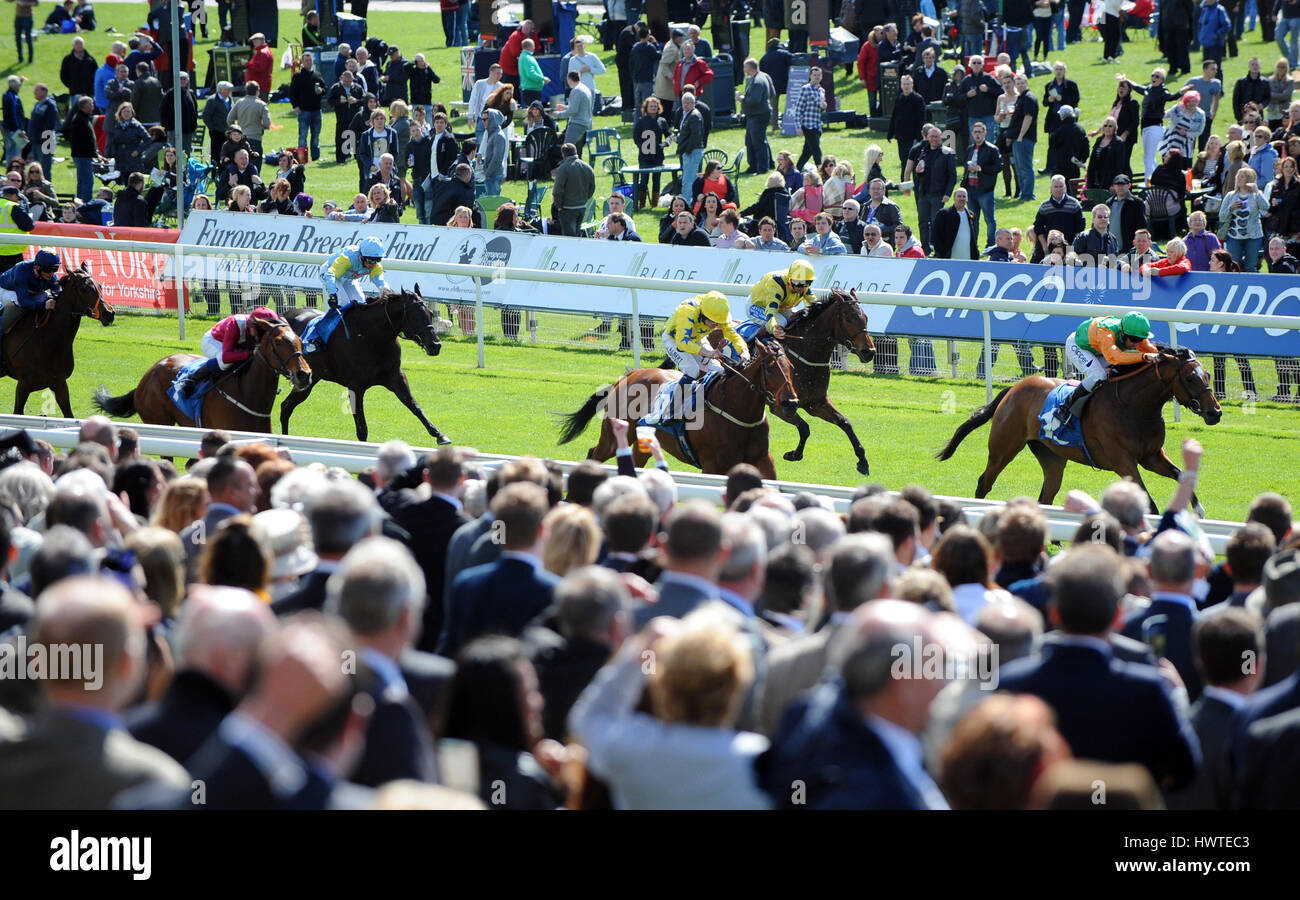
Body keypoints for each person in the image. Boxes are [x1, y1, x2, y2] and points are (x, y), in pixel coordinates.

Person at [1044, 312, 1159, 439]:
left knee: (1117, 372)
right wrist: (1144, 356)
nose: (1136, 344)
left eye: (1140, 340)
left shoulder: (1132, 333)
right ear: (1122, 333)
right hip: (1078, 346)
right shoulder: (1106, 332)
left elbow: (1150, 349)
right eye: (1133, 340)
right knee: (1099, 376)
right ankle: (1064, 407)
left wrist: (1165, 355)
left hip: (1098, 350)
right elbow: (1116, 357)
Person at [651, 291, 749, 424]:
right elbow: (682, 342)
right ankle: (671, 410)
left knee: (718, 371)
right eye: (715, 323)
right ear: (703, 315)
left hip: (697, 338)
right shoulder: (687, 311)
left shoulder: (717, 315)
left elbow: (732, 334)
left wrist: (743, 351)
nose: (718, 326)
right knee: (693, 370)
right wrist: (707, 353)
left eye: (720, 323)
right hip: (674, 340)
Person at [178, 306, 279, 398]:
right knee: (226, 362)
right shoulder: (235, 324)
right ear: (252, 326)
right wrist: (249, 354)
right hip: (213, 341)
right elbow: (226, 357)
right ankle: (192, 378)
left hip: (235, 344)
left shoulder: (255, 326)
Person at [0, 249, 60, 358]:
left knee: (45, 297)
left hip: (28, 291)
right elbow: (23, 301)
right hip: (7, 289)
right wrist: (44, 306)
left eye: (55, 269)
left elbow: (58, 293)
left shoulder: (52, 277)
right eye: (48, 269)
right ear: (37, 267)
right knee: (20, 303)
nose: (51, 273)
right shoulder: (22, 271)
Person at [741, 259, 815, 347]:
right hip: (757, 305)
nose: (802, 287)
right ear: (789, 279)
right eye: (798, 283)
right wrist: (774, 327)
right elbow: (771, 309)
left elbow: (815, 303)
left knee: (797, 319)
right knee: (781, 322)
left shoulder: (803, 285)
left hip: (781, 306)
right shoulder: (776, 282)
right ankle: (749, 344)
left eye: (807, 283)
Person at [1220, 168, 1270, 271]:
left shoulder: (1256, 195)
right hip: (1234, 236)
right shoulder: (1230, 196)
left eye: (1242, 176)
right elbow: (1222, 216)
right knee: (1234, 266)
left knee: (1250, 266)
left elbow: (1266, 207)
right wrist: (1231, 208)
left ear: (1249, 179)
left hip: (1253, 236)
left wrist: (1257, 191)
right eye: (1238, 176)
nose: (1238, 178)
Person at [553, 142, 594, 238]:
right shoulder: (587, 167)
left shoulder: (563, 168)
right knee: (577, 235)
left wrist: (559, 206)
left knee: (569, 238)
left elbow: (557, 191)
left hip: (567, 208)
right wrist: (584, 199)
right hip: (582, 206)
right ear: (576, 152)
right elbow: (592, 187)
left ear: (563, 154)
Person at [889, 74, 928, 176]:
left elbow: (921, 119)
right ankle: (904, 179)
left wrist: (920, 135)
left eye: (908, 84)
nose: (906, 86)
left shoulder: (918, 99)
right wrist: (890, 133)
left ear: (912, 85)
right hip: (901, 135)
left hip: (913, 135)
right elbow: (894, 117)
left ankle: (916, 179)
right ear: (901, 85)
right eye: (904, 84)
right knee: (903, 158)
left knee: (913, 159)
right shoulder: (899, 98)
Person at [793, 65, 827, 171]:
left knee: (807, 152)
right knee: (817, 151)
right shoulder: (805, 89)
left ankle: (796, 170)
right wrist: (798, 127)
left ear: (821, 76)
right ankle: (822, 172)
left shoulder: (821, 91)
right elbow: (798, 109)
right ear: (810, 76)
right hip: (808, 125)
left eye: (819, 75)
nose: (817, 77)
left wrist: (823, 107)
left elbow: (820, 109)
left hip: (817, 125)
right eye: (814, 75)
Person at [931, 187, 979, 260]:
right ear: (954, 198)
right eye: (959, 196)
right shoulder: (944, 213)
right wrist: (941, 254)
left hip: (968, 258)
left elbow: (974, 236)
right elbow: (936, 236)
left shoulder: (971, 215)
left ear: (967, 199)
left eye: (964, 196)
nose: (962, 198)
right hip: (949, 259)